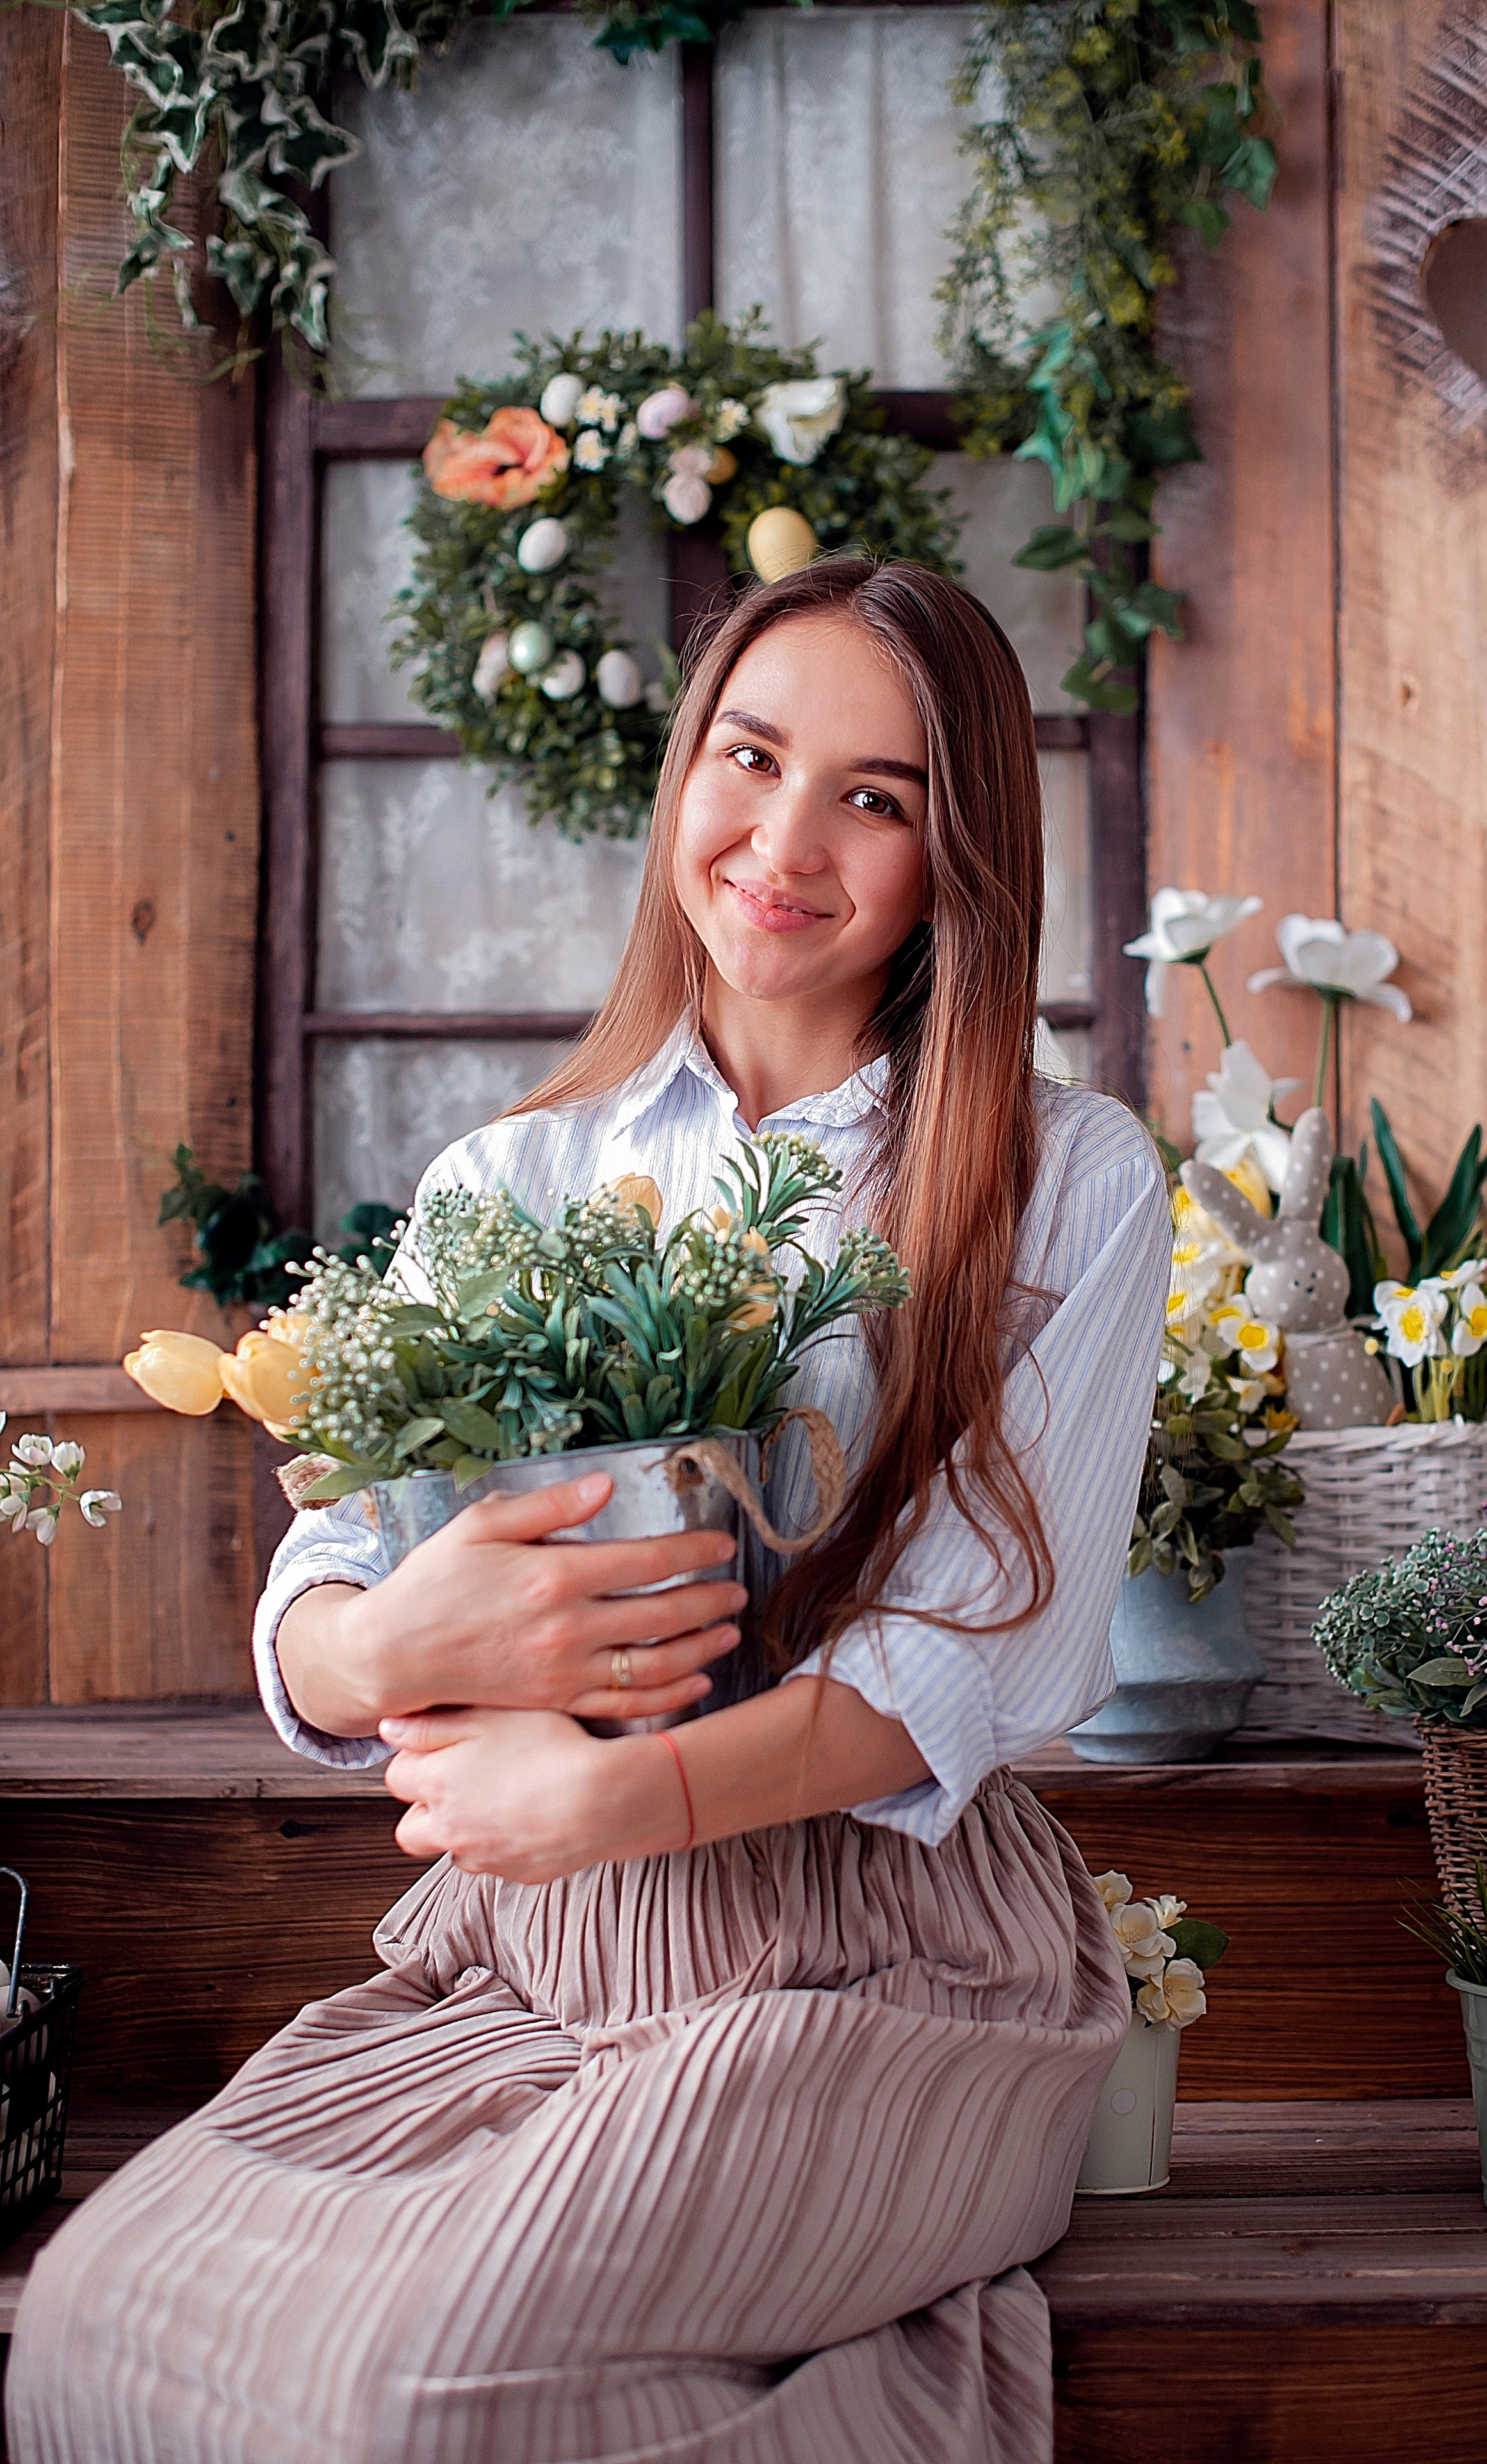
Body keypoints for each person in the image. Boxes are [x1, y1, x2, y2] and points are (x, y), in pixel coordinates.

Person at [8, 559, 1169, 2463]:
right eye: (752, 758)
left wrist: (624, 1798)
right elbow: (333, 1568)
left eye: (877, 798)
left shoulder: (1066, 1177)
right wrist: (390, 1642)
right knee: (90, 2326)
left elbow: (990, 1647)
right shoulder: (516, 1174)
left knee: (417, 2394)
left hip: (890, 1960)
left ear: (957, 857)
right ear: (684, 769)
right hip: (531, 1950)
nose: (786, 843)